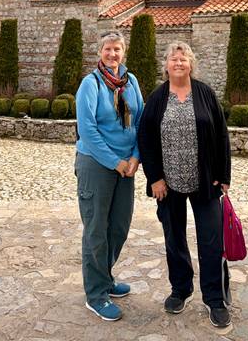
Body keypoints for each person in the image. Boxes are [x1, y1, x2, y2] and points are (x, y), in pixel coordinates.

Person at [138, 41, 232, 330]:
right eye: (173, 59)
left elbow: (221, 134)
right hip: (168, 184)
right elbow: (146, 139)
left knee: (211, 239)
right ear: (166, 65)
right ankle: (180, 290)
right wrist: (155, 178)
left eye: (183, 59)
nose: (178, 63)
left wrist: (223, 175)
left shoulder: (205, 94)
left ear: (191, 64)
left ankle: (215, 298)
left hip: (204, 181)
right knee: (174, 239)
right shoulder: (157, 97)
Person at [75, 30, 143, 321]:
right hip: (96, 165)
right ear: (99, 53)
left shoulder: (131, 82)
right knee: (96, 231)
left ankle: (106, 276)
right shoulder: (90, 85)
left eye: (117, 49)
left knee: (118, 227)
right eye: (108, 50)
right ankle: (96, 294)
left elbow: (140, 121)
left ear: (123, 53)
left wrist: (136, 157)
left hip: (126, 166)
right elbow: (87, 130)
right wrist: (114, 162)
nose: (113, 54)